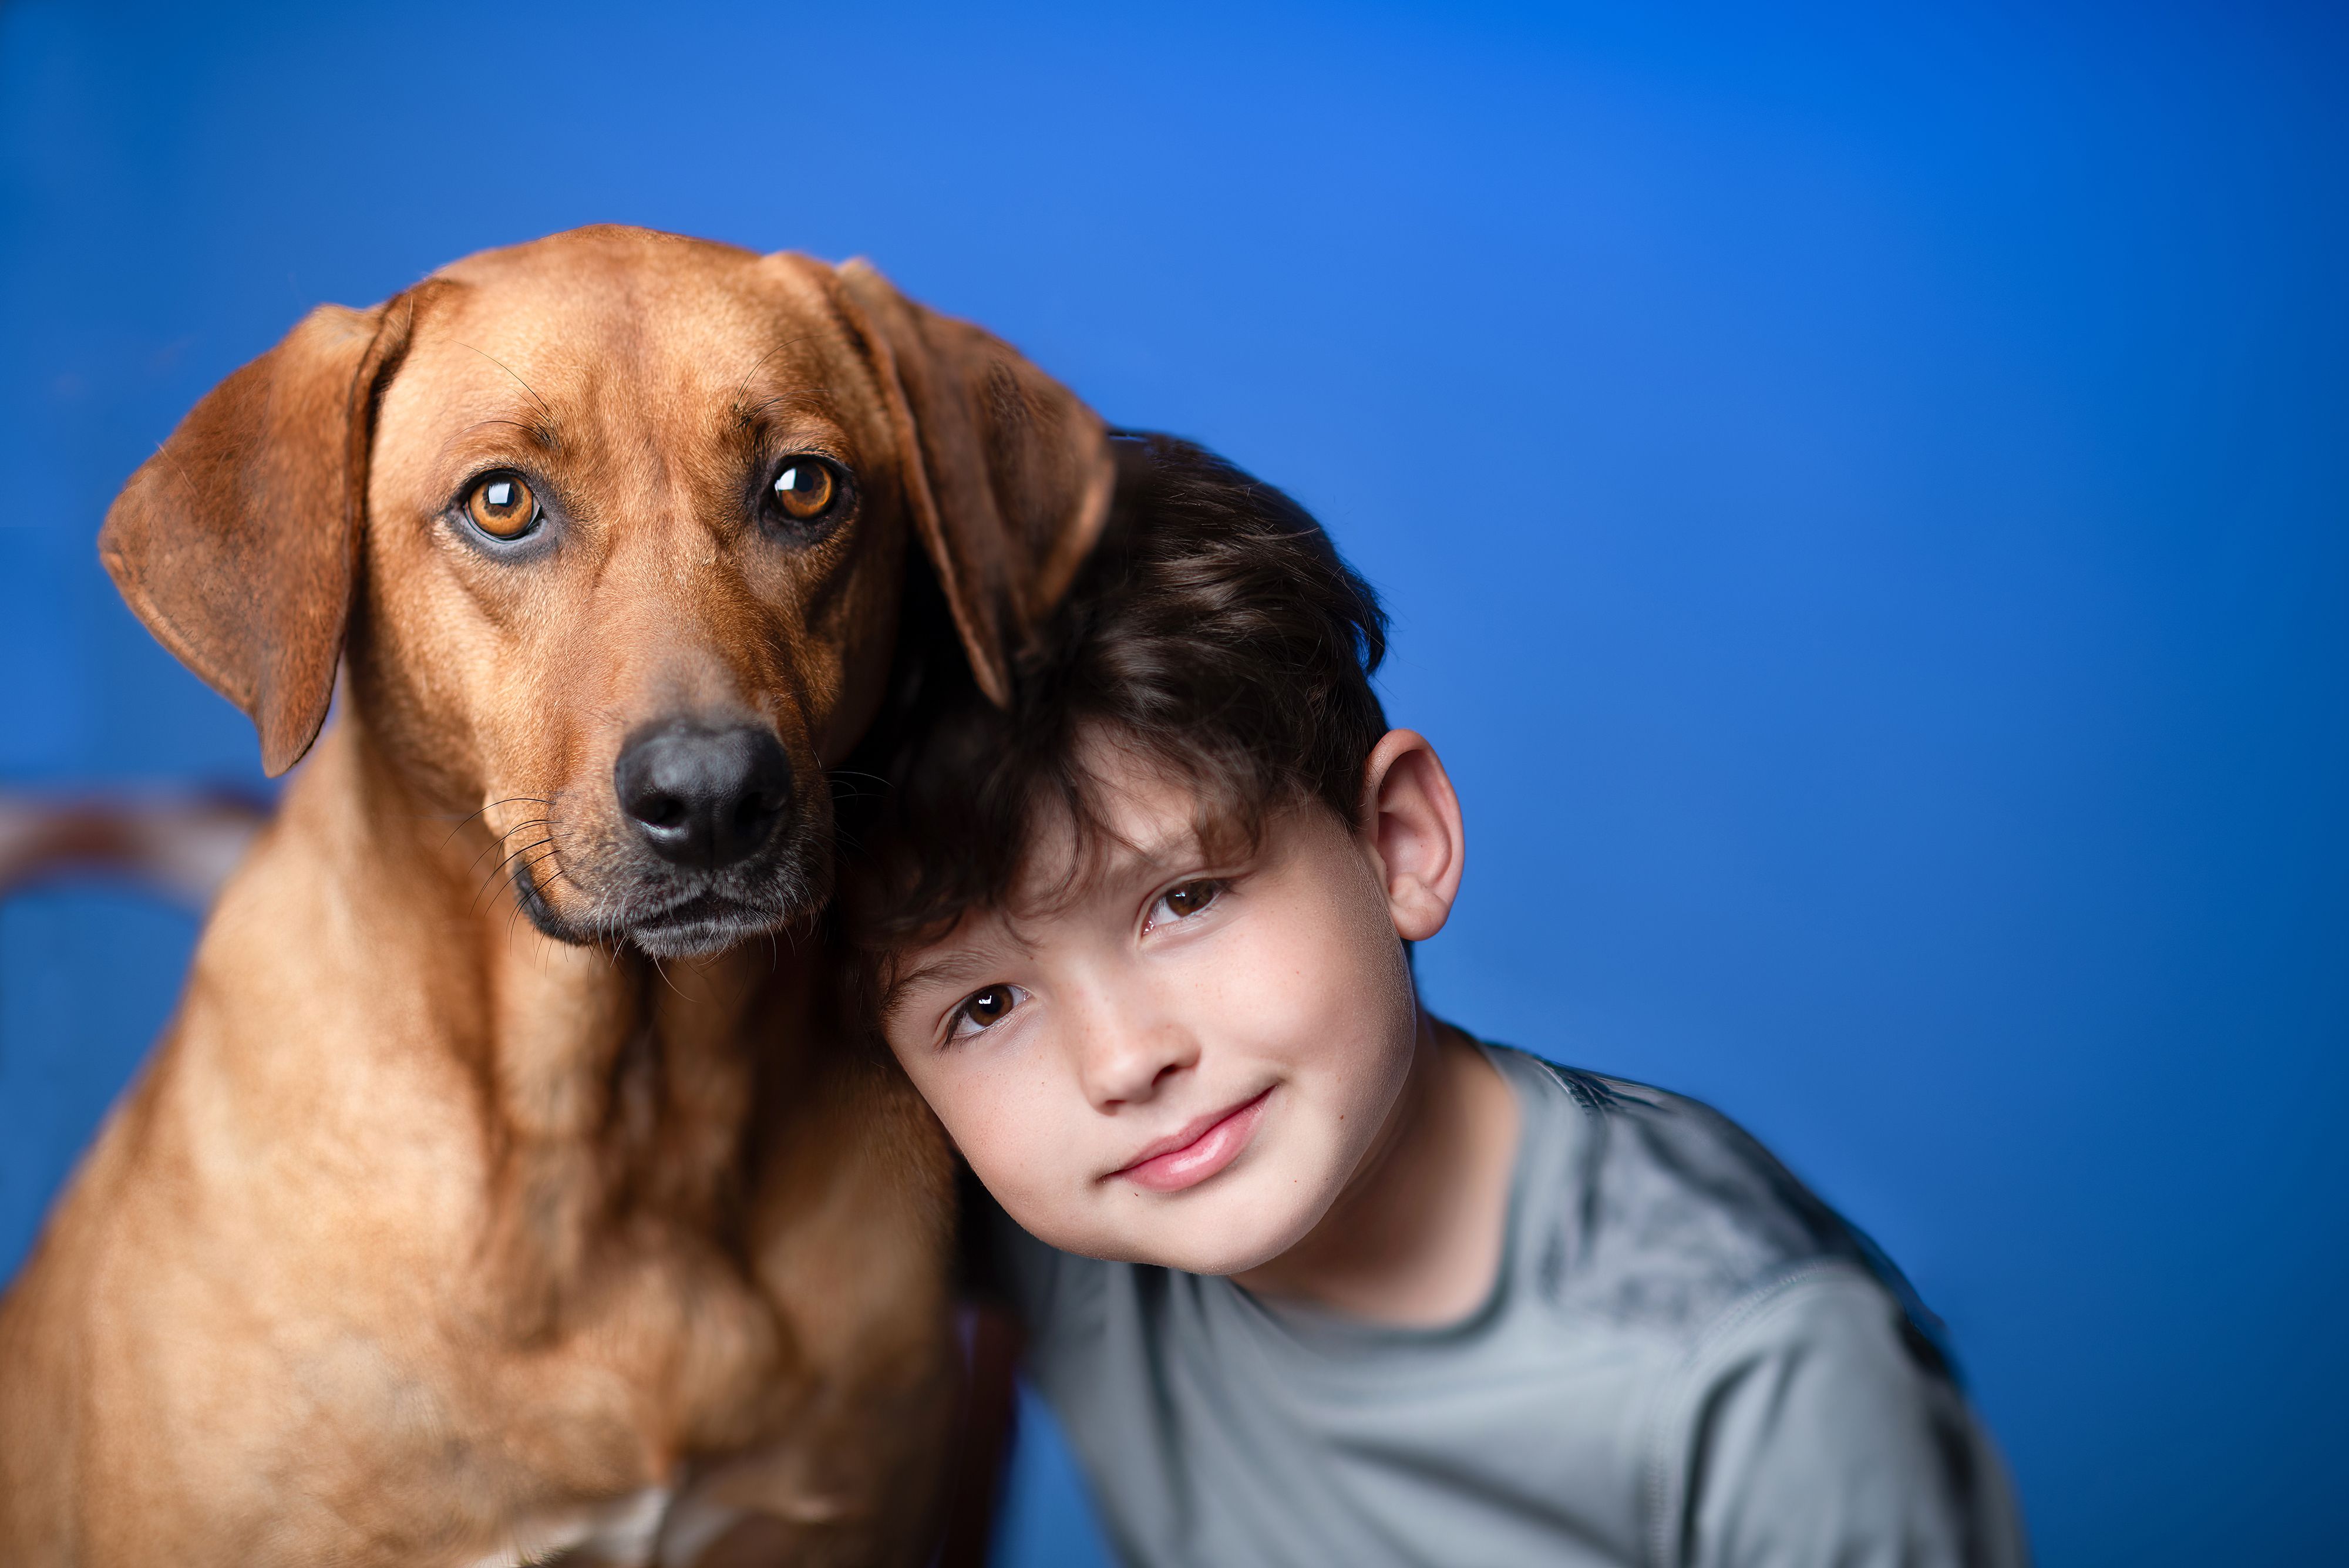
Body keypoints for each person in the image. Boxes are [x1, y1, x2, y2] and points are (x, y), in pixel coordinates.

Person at [837, 433, 2029, 1568]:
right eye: (984, 1007)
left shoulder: (1761, 1370)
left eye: (1185, 897)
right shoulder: (1045, 1219)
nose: (1121, 1062)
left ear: (1395, 843)